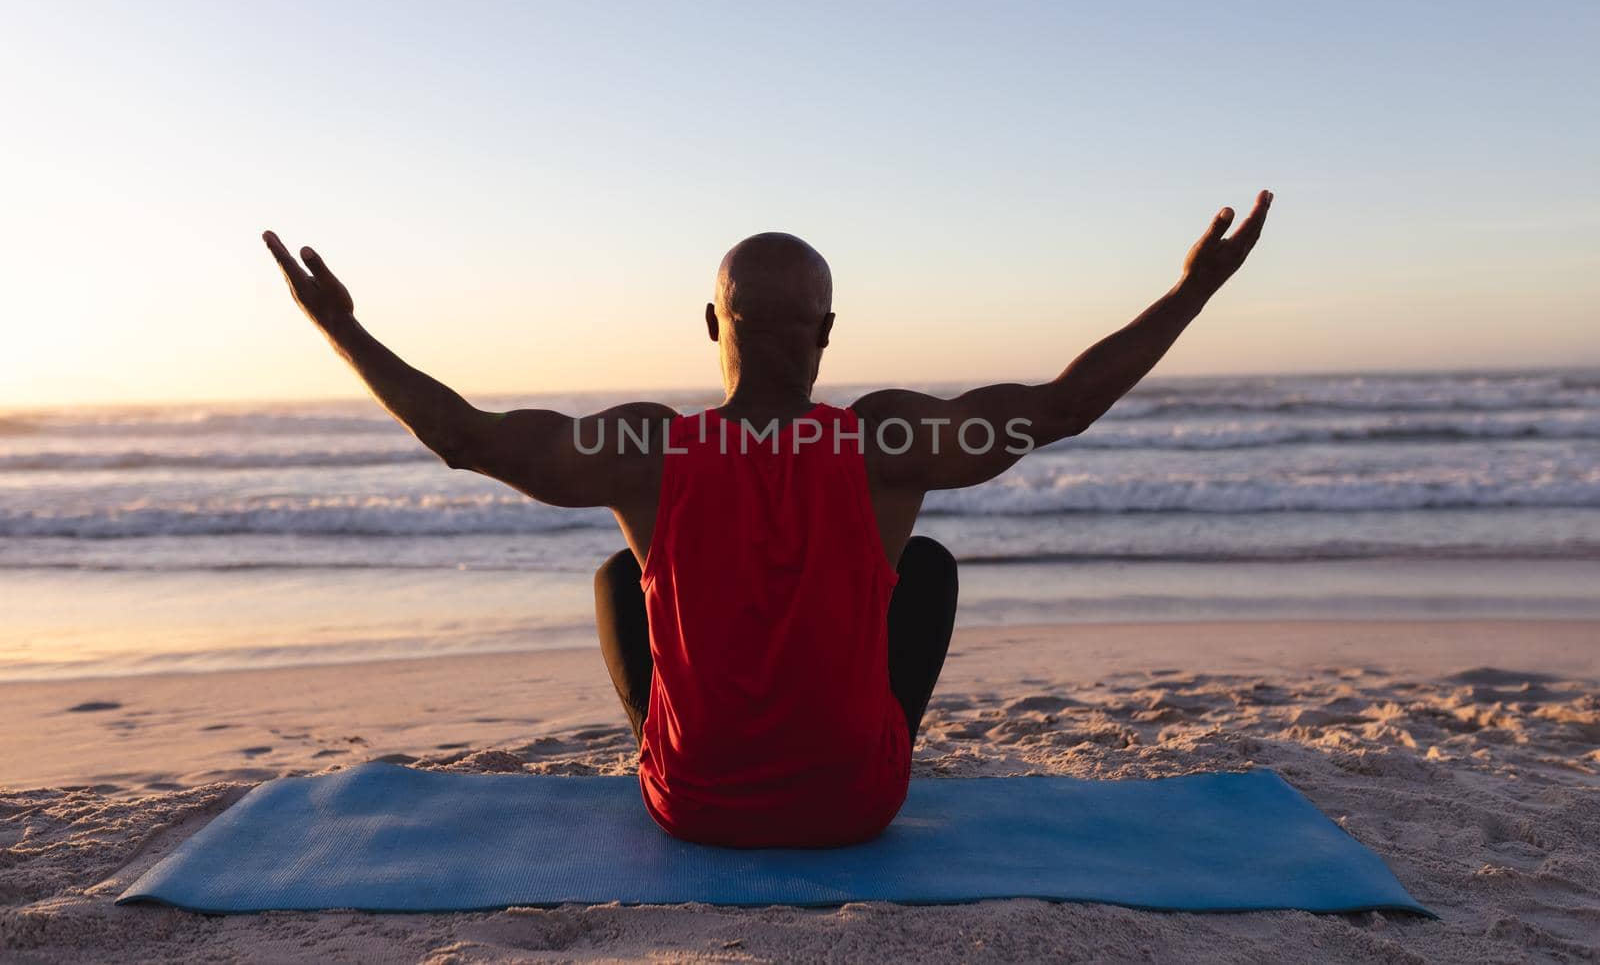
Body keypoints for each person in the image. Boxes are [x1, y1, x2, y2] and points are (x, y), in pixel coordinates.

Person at [263, 189, 1273, 847]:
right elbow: (1058, 409)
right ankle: (859, 741)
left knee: (622, 575)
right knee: (921, 565)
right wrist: (1191, 291)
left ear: (712, 323)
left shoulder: (647, 451)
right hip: (856, 806)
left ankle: (675, 740)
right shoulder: (889, 443)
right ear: (827, 332)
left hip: (692, 807)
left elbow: (470, 438)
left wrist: (342, 329)